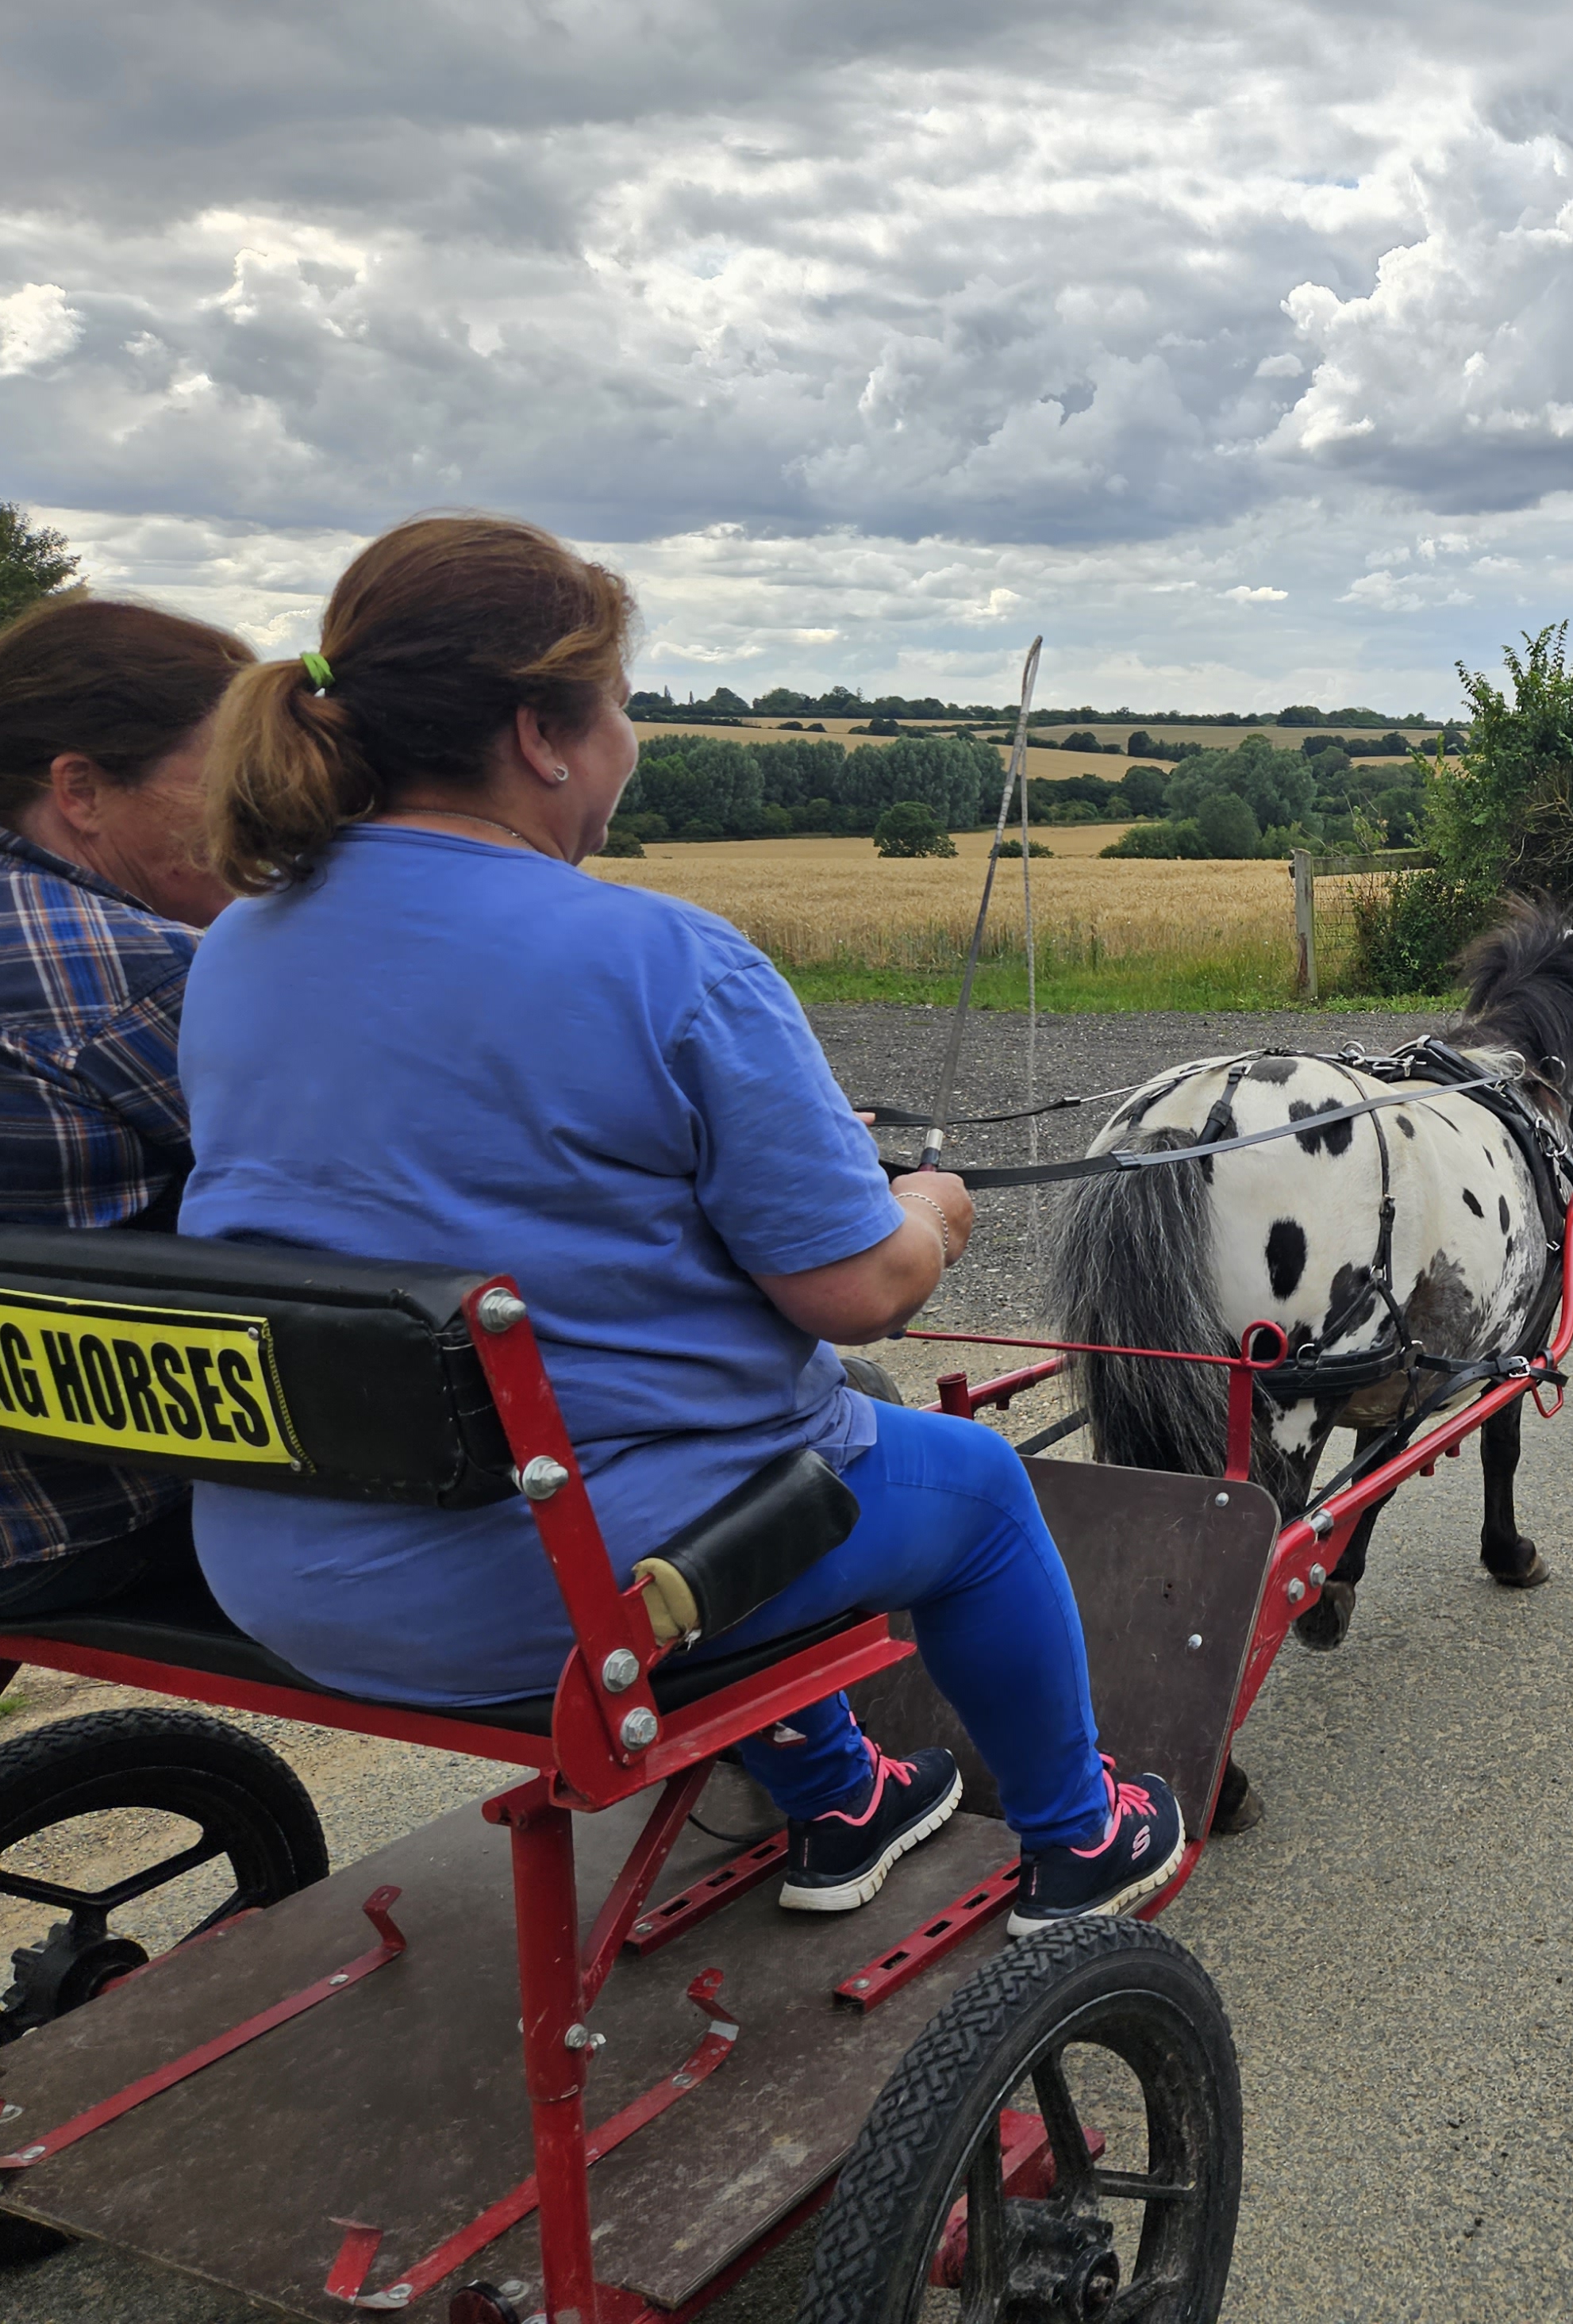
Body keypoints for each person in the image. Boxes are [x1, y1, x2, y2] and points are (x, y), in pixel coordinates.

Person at [177, 514, 1179, 1928]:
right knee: (971, 1488)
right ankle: (1085, 1838)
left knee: (767, 1438)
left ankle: (844, 1794)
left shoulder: (239, 943)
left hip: (287, 1563)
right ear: (543, 733)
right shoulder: (662, 956)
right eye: (626, 709)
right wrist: (934, 1215)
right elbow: (853, 1294)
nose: (631, 742)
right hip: (567, 1592)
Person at [0, 597, 252, 1619]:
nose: (262, 819)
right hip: (72, 1522)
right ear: (80, 789)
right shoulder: (153, 977)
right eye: (229, 783)